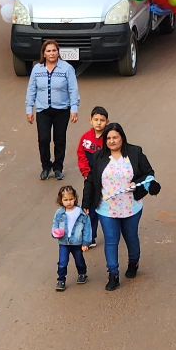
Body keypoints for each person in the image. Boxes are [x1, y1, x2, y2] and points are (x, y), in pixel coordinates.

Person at [83, 123, 159, 291]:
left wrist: (138, 183)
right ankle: (113, 274)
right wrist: (86, 204)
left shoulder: (135, 152)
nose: (112, 141)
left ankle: (133, 263)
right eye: (108, 138)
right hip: (106, 209)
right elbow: (90, 181)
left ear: (122, 137)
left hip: (131, 207)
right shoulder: (98, 157)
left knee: (131, 237)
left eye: (115, 137)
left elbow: (149, 174)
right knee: (111, 241)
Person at [25, 39, 80, 181]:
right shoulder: (37, 69)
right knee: (43, 139)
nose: (51, 53)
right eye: (48, 51)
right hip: (43, 110)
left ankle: (58, 168)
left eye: (54, 50)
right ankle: (46, 166)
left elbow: (73, 89)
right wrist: (29, 109)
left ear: (58, 52)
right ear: (43, 53)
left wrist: (74, 108)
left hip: (62, 110)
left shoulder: (67, 68)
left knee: (60, 140)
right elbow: (31, 89)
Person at [76, 106, 108, 249]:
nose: (99, 123)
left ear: (107, 122)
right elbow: (81, 155)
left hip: (105, 180)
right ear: (90, 121)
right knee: (89, 208)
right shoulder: (86, 138)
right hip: (90, 179)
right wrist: (85, 172)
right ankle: (91, 236)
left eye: (102, 120)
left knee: (105, 207)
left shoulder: (109, 139)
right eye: (96, 119)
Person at [51, 185, 93, 291]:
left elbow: (87, 229)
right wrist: (54, 232)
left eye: (71, 199)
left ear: (75, 198)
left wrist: (86, 243)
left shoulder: (81, 213)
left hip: (77, 243)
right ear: (61, 200)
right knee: (62, 262)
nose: (69, 202)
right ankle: (61, 280)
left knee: (79, 260)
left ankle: (82, 273)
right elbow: (55, 224)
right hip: (63, 242)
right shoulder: (59, 213)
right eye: (65, 200)